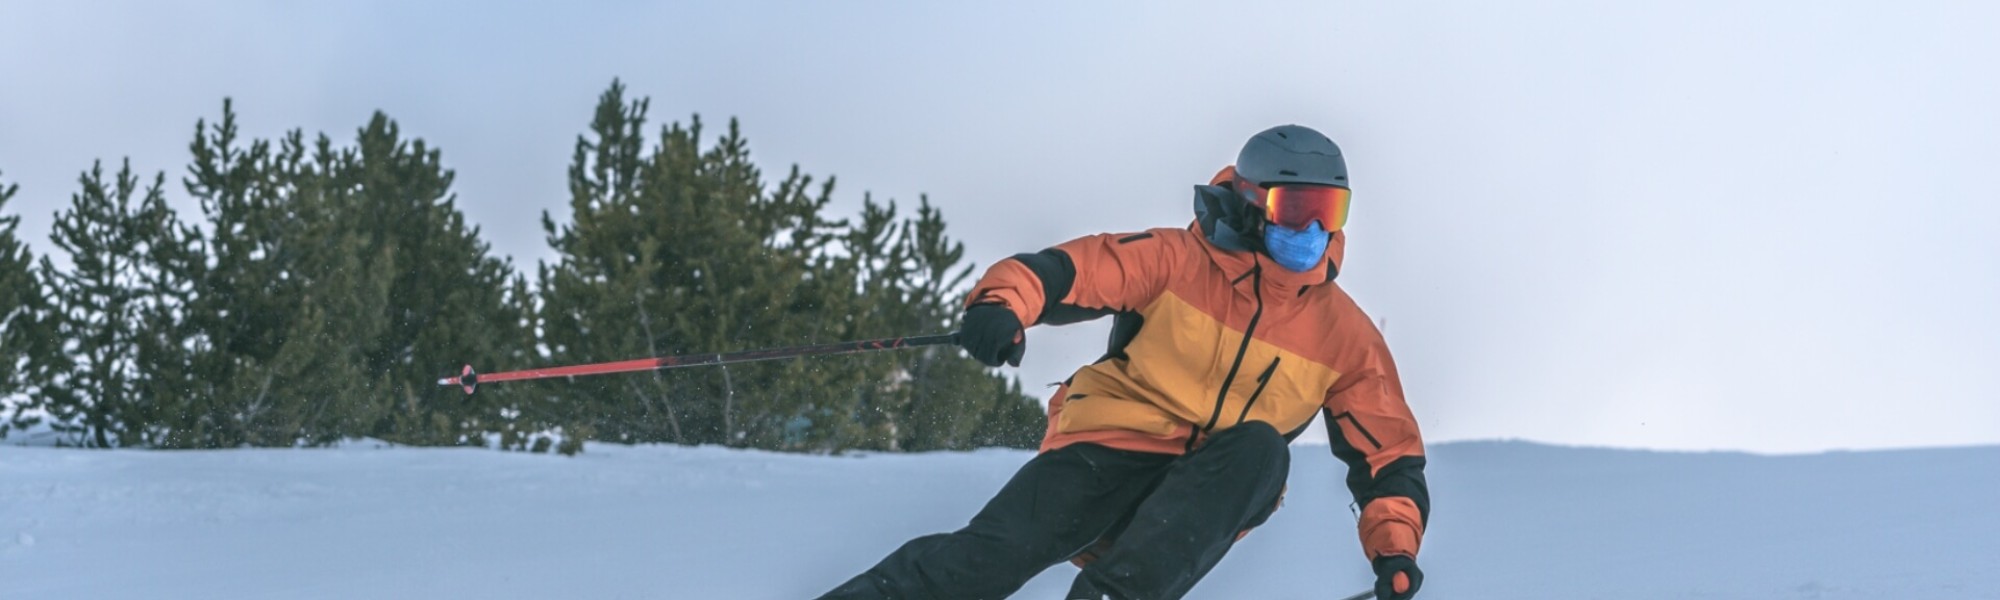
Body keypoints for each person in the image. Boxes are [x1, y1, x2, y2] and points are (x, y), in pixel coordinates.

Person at [817, 125, 1430, 600]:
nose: (1315, 228)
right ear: (1250, 202)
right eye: (1297, 209)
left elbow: (1390, 457)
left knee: (1261, 450)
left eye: (1331, 212)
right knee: (990, 557)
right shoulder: (1176, 260)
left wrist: (1394, 551)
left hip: (1198, 500)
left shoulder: (1343, 334)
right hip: (1102, 453)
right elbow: (1069, 270)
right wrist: (1002, 306)